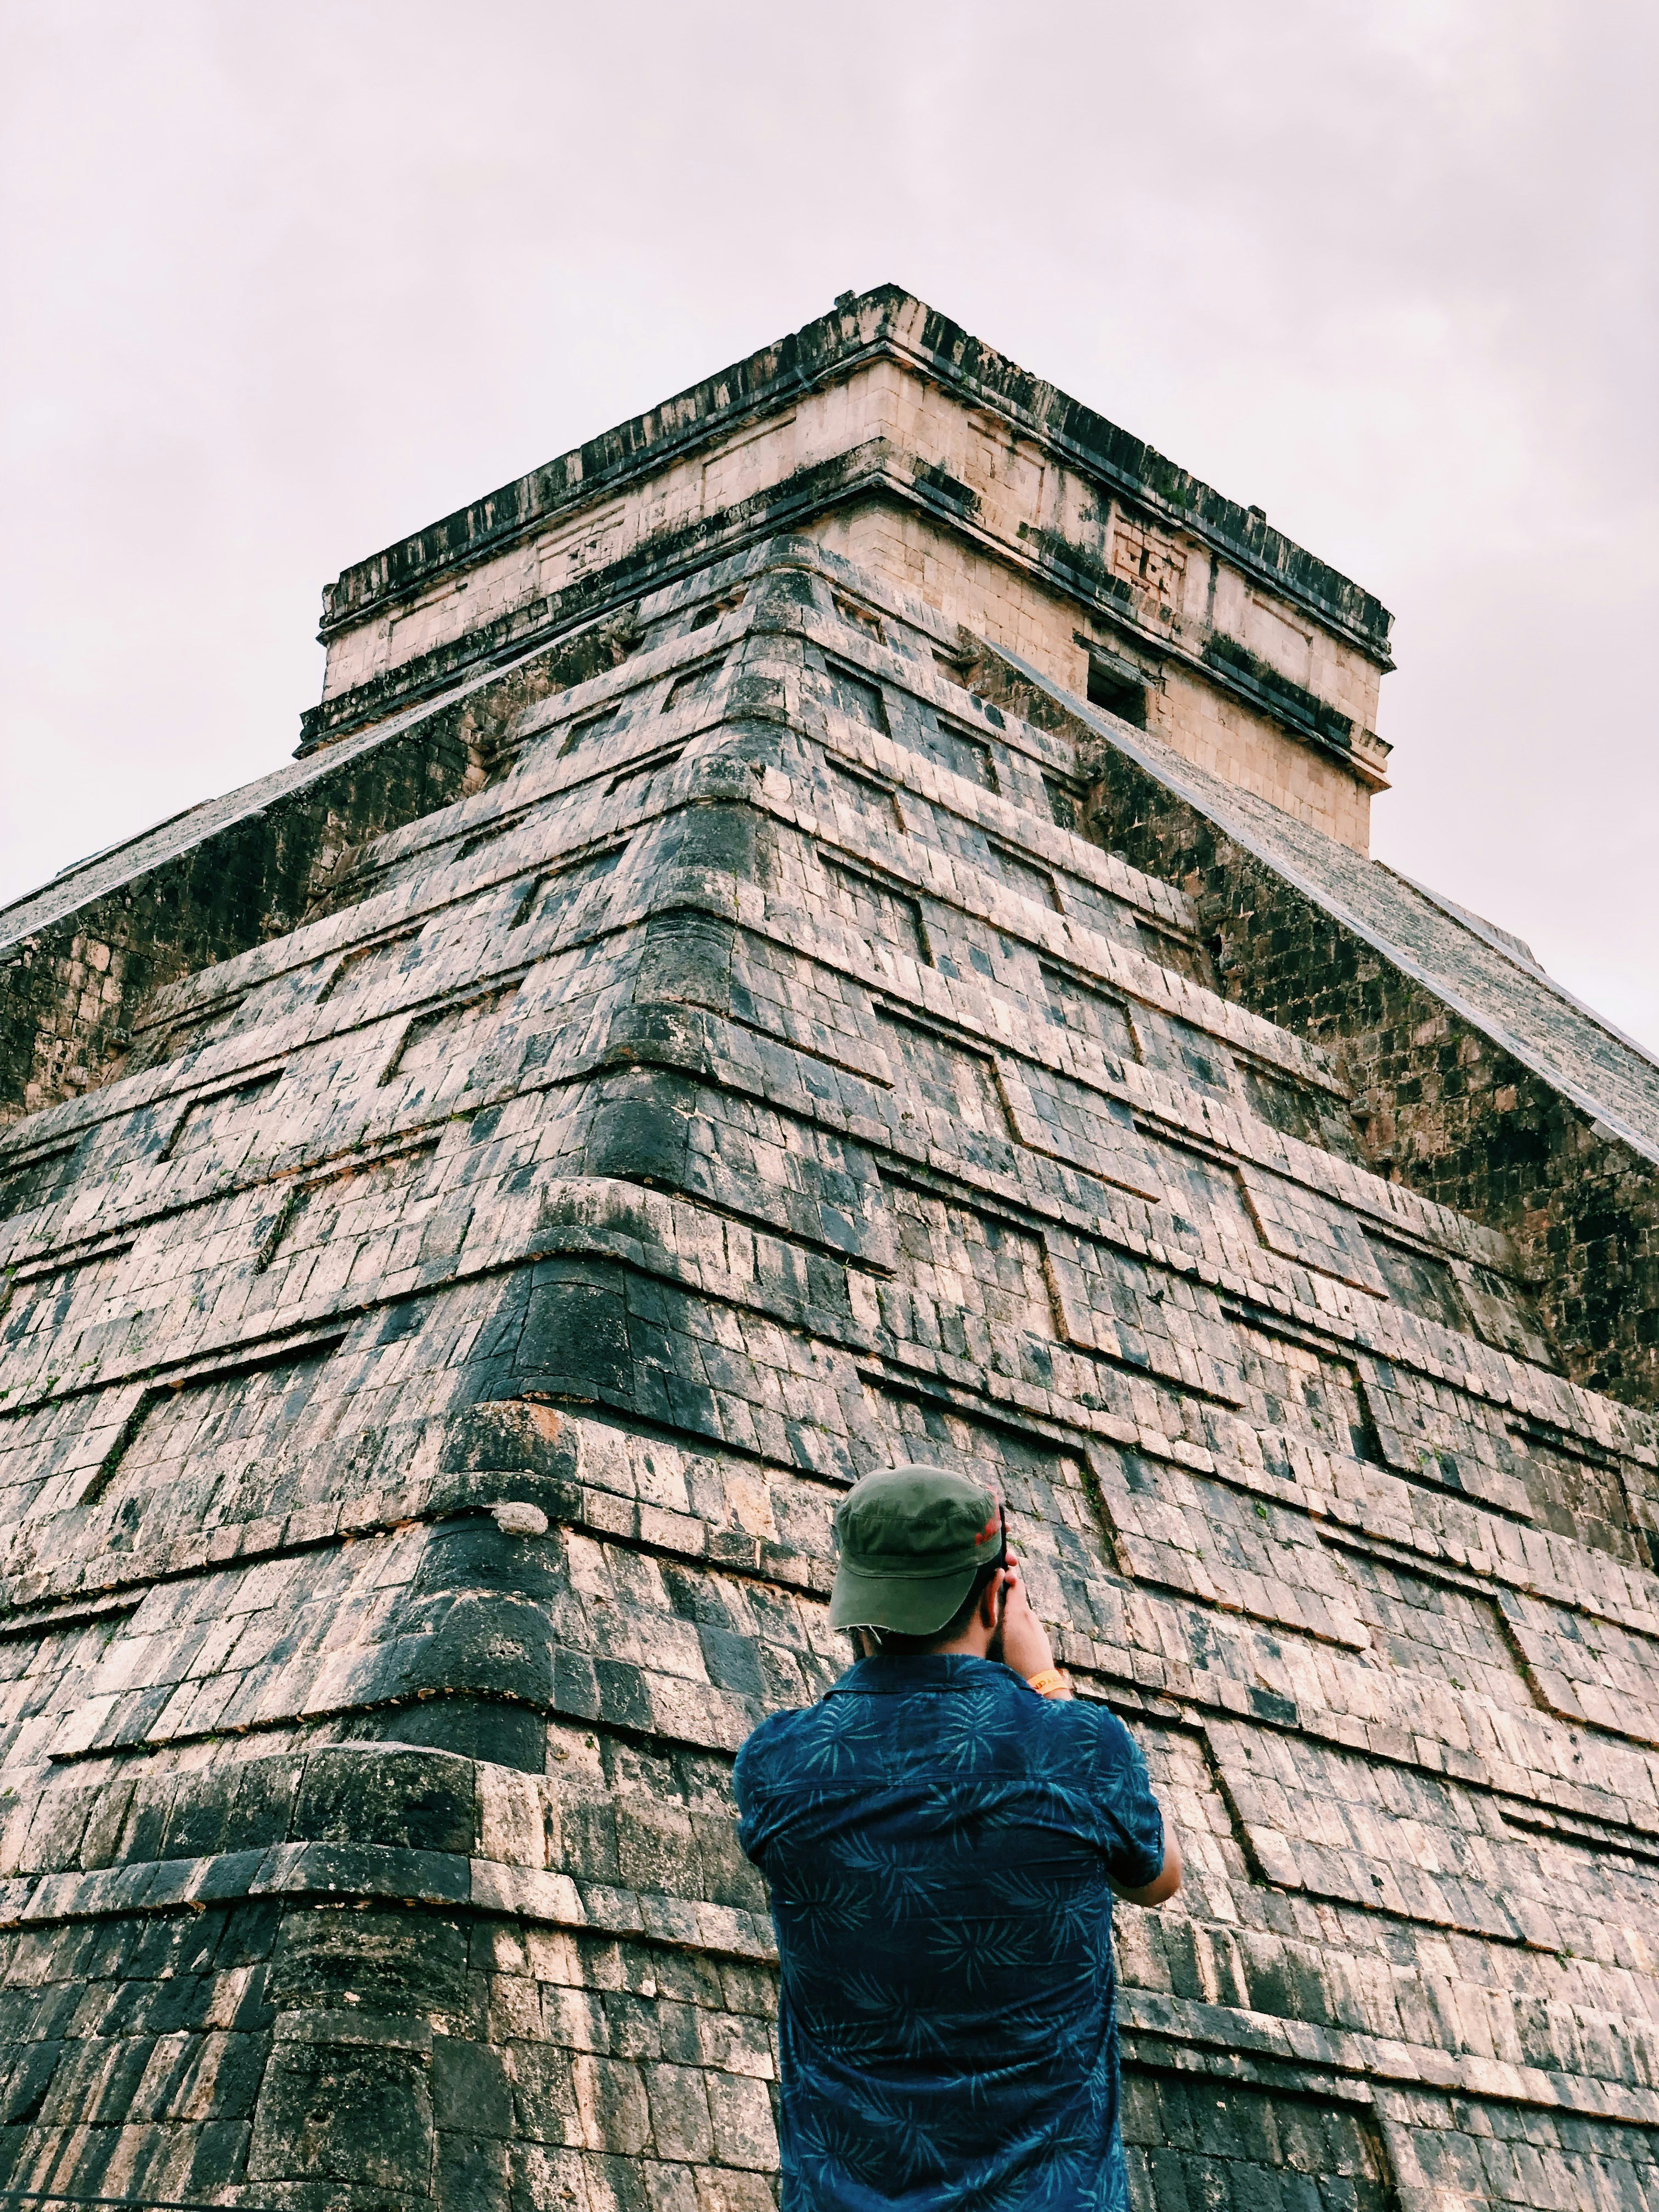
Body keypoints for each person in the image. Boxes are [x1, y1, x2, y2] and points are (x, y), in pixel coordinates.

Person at [734, 1462, 1181, 2212]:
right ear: (997, 1592)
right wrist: (1047, 1686)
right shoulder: (1076, 1750)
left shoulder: (779, 1766)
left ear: (855, 1599)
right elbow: (1155, 1877)